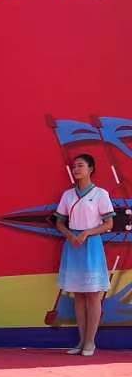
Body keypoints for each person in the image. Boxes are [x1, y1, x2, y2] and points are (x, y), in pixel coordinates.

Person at [54, 153, 115, 357]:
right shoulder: (68, 195)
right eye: (74, 166)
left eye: (80, 165)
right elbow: (59, 222)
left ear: (91, 169)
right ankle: (81, 341)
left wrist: (87, 233)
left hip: (92, 246)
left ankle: (91, 342)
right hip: (73, 246)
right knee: (79, 295)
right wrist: (70, 235)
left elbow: (109, 223)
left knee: (93, 294)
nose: (76, 169)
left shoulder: (100, 194)